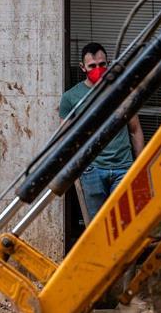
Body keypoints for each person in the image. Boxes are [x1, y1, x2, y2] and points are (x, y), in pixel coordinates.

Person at [59, 42, 144, 222]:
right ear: (83, 67)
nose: (98, 69)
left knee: (124, 222)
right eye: (92, 66)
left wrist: (141, 164)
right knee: (97, 225)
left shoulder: (122, 91)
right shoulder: (70, 98)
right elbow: (65, 138)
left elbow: (135, 130)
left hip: (123, 167)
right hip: (92, 170)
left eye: (102, 64)